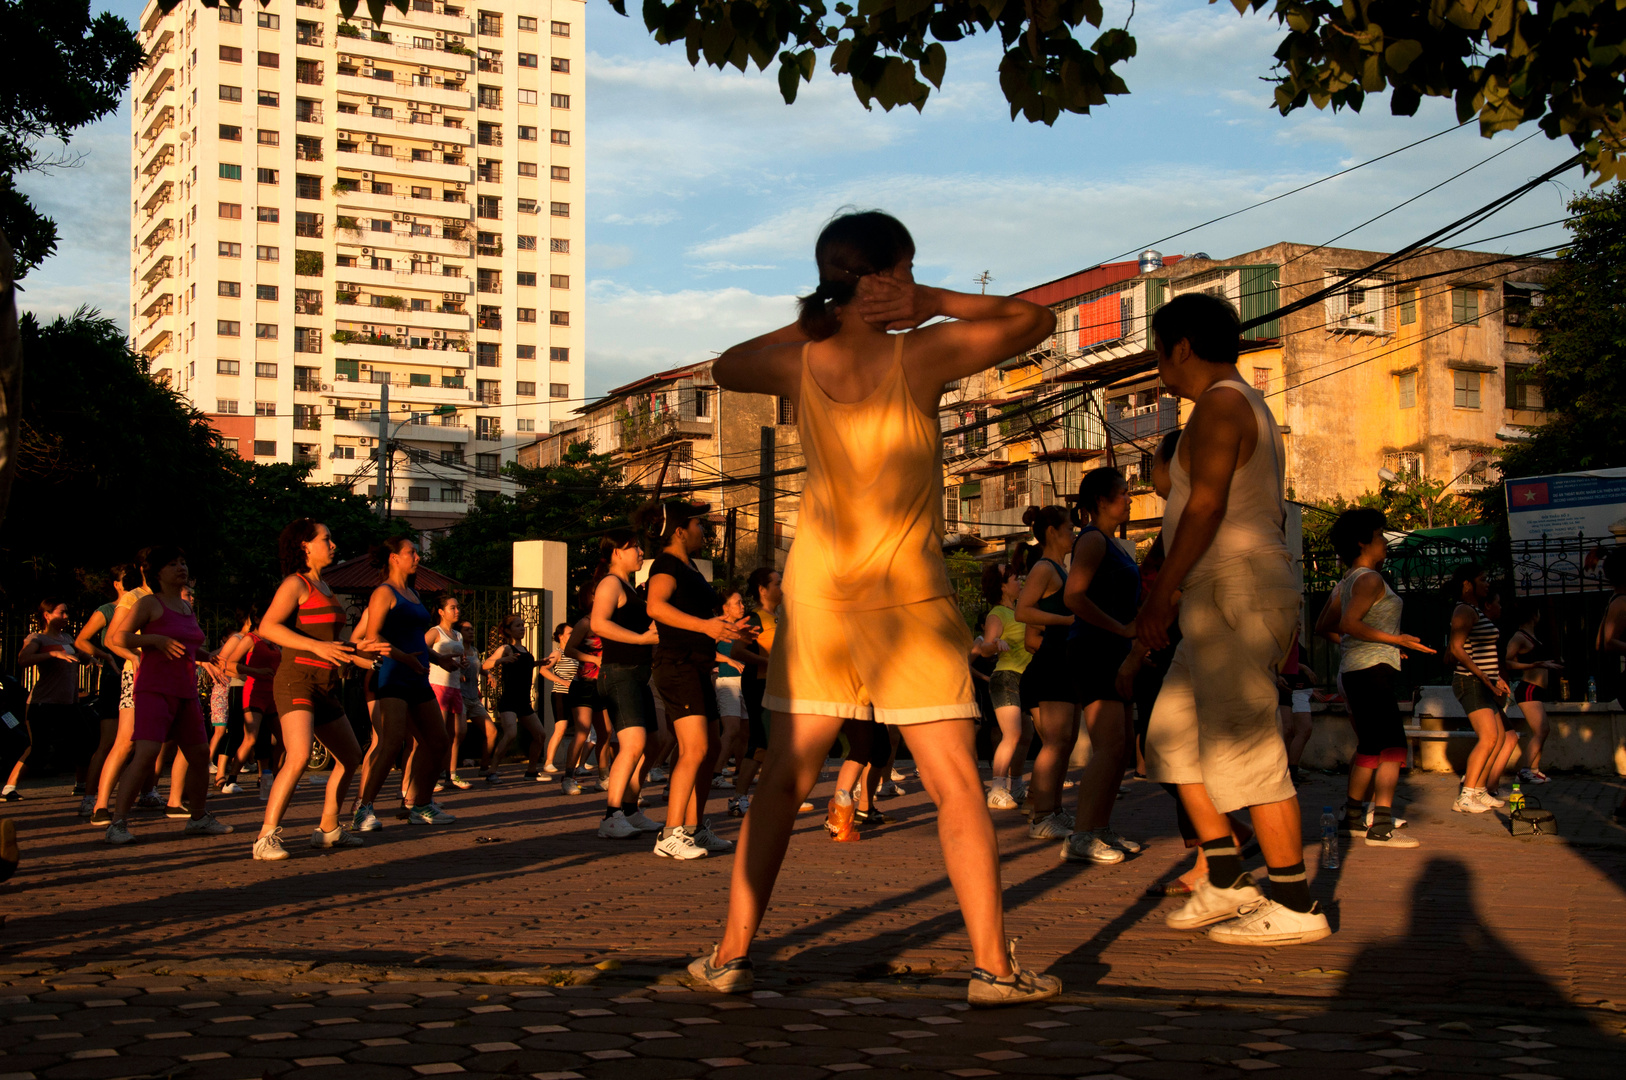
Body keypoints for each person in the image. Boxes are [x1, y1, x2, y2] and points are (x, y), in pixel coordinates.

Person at [694, 210, 1061, 1004]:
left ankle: (728, 957)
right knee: (955, 785)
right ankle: (994, 970)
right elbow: (1037, 320)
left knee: (784, 784)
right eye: (908, 268)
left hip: (820, 602)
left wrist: (821, 313)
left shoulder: (801, 361)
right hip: (909, 600)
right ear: (890, 273)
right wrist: (929, 298)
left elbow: (726, 366)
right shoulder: (922, 352)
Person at [1138, 292, 1331, 946]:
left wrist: (1159, 596)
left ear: (1181, 347)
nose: (1157, 363)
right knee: (1169, 738)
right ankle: (1224, 880)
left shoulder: (1222, 404)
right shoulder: (1223, 407)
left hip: (1236, 588)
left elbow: (1205, 508)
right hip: (1215, 595)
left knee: (1248, 749)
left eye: (1158, 350)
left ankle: (1295, 902)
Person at [1313, 508, 1434, 847]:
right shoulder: (1368, 579)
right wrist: (1396, 640)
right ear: (1363, 542)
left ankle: (1352, 815)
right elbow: (1349, 624)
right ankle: (1380, 825)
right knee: (1394, 747)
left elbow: (1342, 628)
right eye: (1379, 535)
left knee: (1370, 747)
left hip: (1362, 668)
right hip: (1369, 671)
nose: (1384, 542)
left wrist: (1388, 646)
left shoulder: (1352, 578)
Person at [253, 519, 368, 859]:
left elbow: (332, 642)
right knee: (300, 754)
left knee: (350, 757)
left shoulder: (326, 586)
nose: (333, 545)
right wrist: (318, 648)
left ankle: (329, 829)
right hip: (296, 680)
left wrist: (362, 652)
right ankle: (265, 837)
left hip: (326, 685)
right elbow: (268, 627)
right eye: (326, 539)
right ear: (305, 545)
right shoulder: (296, 583)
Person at [638, 499, 746, 859]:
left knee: (712, 748)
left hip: (698, 666)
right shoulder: (667, 565)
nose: (705, 529)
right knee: (696, 747)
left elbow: (704, 618)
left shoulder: (693, 569)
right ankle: (670, 834)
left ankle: (695, 828)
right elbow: (655, 606)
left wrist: (729, 630)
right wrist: (705, 626)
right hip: (676, 665)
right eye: (700, 524)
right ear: (680, 531)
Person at [104, 547, 231, 843]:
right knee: (146, 753)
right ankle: (117, 823)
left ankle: (198, 817)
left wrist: (205, 655)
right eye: (172, 564)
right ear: (157, 572)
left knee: (200, 755)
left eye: (183, 563)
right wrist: (154, 639)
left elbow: (183, 644)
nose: (180, 568)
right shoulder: (149, 603)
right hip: (154, 689)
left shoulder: (187, 607)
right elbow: (118, 637)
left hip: (185, 691)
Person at [1061, 467, 1144, 864]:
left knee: (1122, 745)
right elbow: (1073, 597)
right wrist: (1121, 629)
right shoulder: (1092, 541)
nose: (1129, 499)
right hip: (1093, 649)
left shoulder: (1113, 544)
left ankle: (1100, 827)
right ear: (1100, 502)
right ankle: (1081, 835)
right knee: (1108, 745)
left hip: (1111, 649)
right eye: (1123, 493)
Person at [352, 539, 458, 829]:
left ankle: (422, 805)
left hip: (417, 676)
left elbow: (417, 640)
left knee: (437, 741)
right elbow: (373, 638)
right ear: (394, 558)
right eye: (411, 552)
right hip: (393, 675)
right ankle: (363, 809)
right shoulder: (383, 593)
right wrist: (406, 660)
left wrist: (437, 659)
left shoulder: (411, 592)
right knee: (390, 743)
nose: (417, 556)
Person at [589, 529, 665, 838]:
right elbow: (598, 623)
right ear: (616, 553)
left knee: (656, 742)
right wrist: (641, 639)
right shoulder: (610, 583)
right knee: (632, 744)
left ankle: (631, 809)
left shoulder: (630, 589)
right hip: (619, 673)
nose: (640, 552)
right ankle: (611, 815)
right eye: (634, 547)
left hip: (638, 675)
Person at [1013, 504, 1078, 839]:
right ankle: (1040, 817)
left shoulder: (1060, 569)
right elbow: (1023, 611)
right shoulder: (1044, 568)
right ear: (1052, 531)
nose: (1073, 534)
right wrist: (1066, 620)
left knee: (1066, 741)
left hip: (1063, 662)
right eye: (1069, 528)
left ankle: (1054, 809)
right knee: (1055, 741)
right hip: (1050, 663)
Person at [1446, 564, 1517, 813]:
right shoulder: (1464, 610)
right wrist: (1483, 676)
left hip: (1484, 682)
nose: (1487, 583)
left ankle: (1479, 791)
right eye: (1482, 578)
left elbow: (1481, 651)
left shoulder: (1475, 610)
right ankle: (1465, 797)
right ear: (1468, 584)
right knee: (1488, 738)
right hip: (1470, 681)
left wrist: (1495, 677)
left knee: (1498, 739)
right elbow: (1456, 649)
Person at [72, 567, 136, 815]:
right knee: (109, 741)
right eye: (124, 580)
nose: (129, 584)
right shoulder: (107, 610)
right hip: (114, 679)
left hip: (138, 675)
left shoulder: (143, 605)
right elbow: (81, 640)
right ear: (116, 584)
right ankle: (90, 797)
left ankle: (146, 793)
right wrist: (105, 655)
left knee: (140, 742)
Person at [9, 599, 83, 801]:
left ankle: (82, 785)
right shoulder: (37, 638)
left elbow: (80, 653)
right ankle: (9, 788)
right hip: (43, 703)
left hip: (69, 702)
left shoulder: (67, 637)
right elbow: (23, 659)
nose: (66, 617)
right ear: (47, 615)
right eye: (61, 613)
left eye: (67, 612)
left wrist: (92, 657)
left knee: (80, 743)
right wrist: (51, 654)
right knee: (38, 747)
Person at [975, 562, 1034, 810]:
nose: (1019, 582)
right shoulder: (997, 614)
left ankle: (1016, 785)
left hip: (1025, 680)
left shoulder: (1021, 611)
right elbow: (984, 646)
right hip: (1006, 678)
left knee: (1026, 735)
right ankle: (997, 790)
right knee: (1012, 734)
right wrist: (995, 643)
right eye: (1014, 579)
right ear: (1002, 586)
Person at [482, 614, 551, 783]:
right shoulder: (506, 648)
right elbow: (485, 664)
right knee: (511, 734)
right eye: (517, 626)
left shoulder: (525, 650)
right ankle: (492, 771)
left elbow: (522, 666)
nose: (522, 628)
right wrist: (503, 659)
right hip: (509, 699)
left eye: (522, 625)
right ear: (508, 631)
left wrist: (538, 663)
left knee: (540, 735)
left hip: (523, 701)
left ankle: (531, 771)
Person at [1506, 601, 1561, 785]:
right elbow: (1507, 662)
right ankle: (1525, 770)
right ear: (1533, 615)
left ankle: (1534, 770)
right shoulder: (1519, 637)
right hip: (1528, 689)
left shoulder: (1532, 636)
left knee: (1542, 731)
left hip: (1536, 690)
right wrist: (1533, 665)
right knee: (1541, 730)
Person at [428, 595, 471, 791]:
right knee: (439, 734)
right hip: (438, 684)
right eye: (452, 608)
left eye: (458, 607)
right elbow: (421, 649)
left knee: (458, 732)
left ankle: (451, 774)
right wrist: (439, 659)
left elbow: (459, 658)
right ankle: (431, 774)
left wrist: (463, 664)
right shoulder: (434, 632)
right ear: (441, 611)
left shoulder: (458, 635)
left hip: (455, 686)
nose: (456, 611)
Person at [714, 587, 750, 787]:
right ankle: (715, 773)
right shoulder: (718, 626)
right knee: (732, 728)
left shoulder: (740, 627)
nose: (742, 606)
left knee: (745, 730)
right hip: (727, 682)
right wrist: (727, 660)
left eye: (742, 603)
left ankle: (741, 772)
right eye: (738, 603)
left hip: (743, 682)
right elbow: (705, 651)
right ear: (725, 607)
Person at [538, 622, 577, 778]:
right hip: (560, 694)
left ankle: (579, 762)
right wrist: (563, 682)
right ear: (560, 636)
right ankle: (549, 762)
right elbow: (543, 670)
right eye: (569, 633)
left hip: (575, 694)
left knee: (580, 730)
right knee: (561, 728)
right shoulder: (557, 653)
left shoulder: (574, 653)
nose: (573, 636)